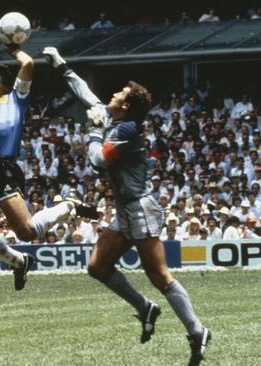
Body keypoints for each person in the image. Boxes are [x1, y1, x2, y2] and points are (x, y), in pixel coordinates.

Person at [43, 47, 211, 365]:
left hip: (141, 209)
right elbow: (86, 95)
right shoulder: (115, 118)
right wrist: (61, 65)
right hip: (126, 210)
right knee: (97, 267)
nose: (113, 94)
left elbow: (96, 161)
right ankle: (146, 308)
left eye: (120, 93)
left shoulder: (127, 129)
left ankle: (197, 330)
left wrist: (92, 131)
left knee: (160, 277)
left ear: (127, 105)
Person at [0, 44, 95, 291]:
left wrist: (12, 49)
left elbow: (28, 63)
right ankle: (19, 261)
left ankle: (67, 205)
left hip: (5, 169)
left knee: (27, 232)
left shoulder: (15, 98)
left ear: (6, 86)